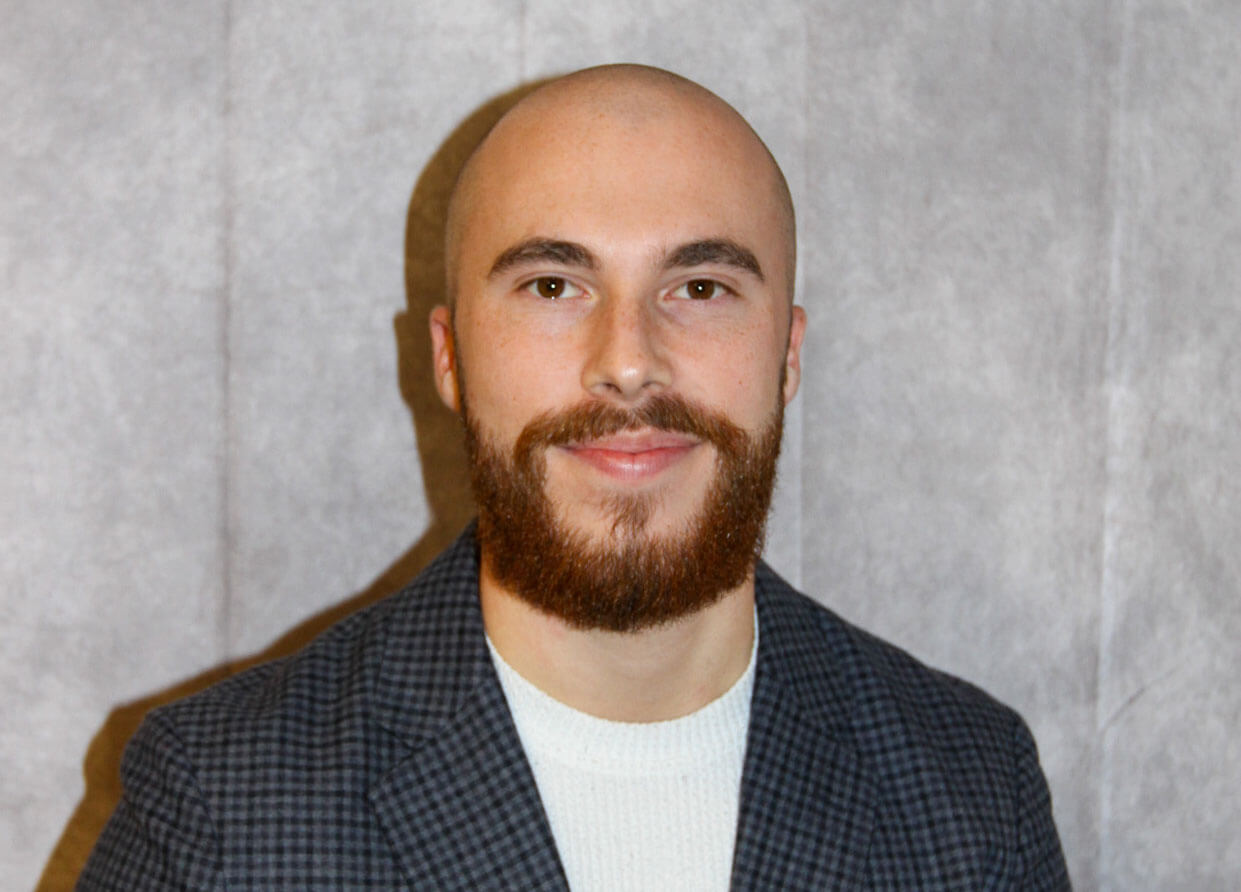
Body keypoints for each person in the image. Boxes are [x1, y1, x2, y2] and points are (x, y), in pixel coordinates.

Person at [78, 64, 1070, 890]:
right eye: (552, 286)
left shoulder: (972, 795)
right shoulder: (219, 807)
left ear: (788, 353)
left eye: (699, 286)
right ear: (449, 355)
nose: (628, 360)